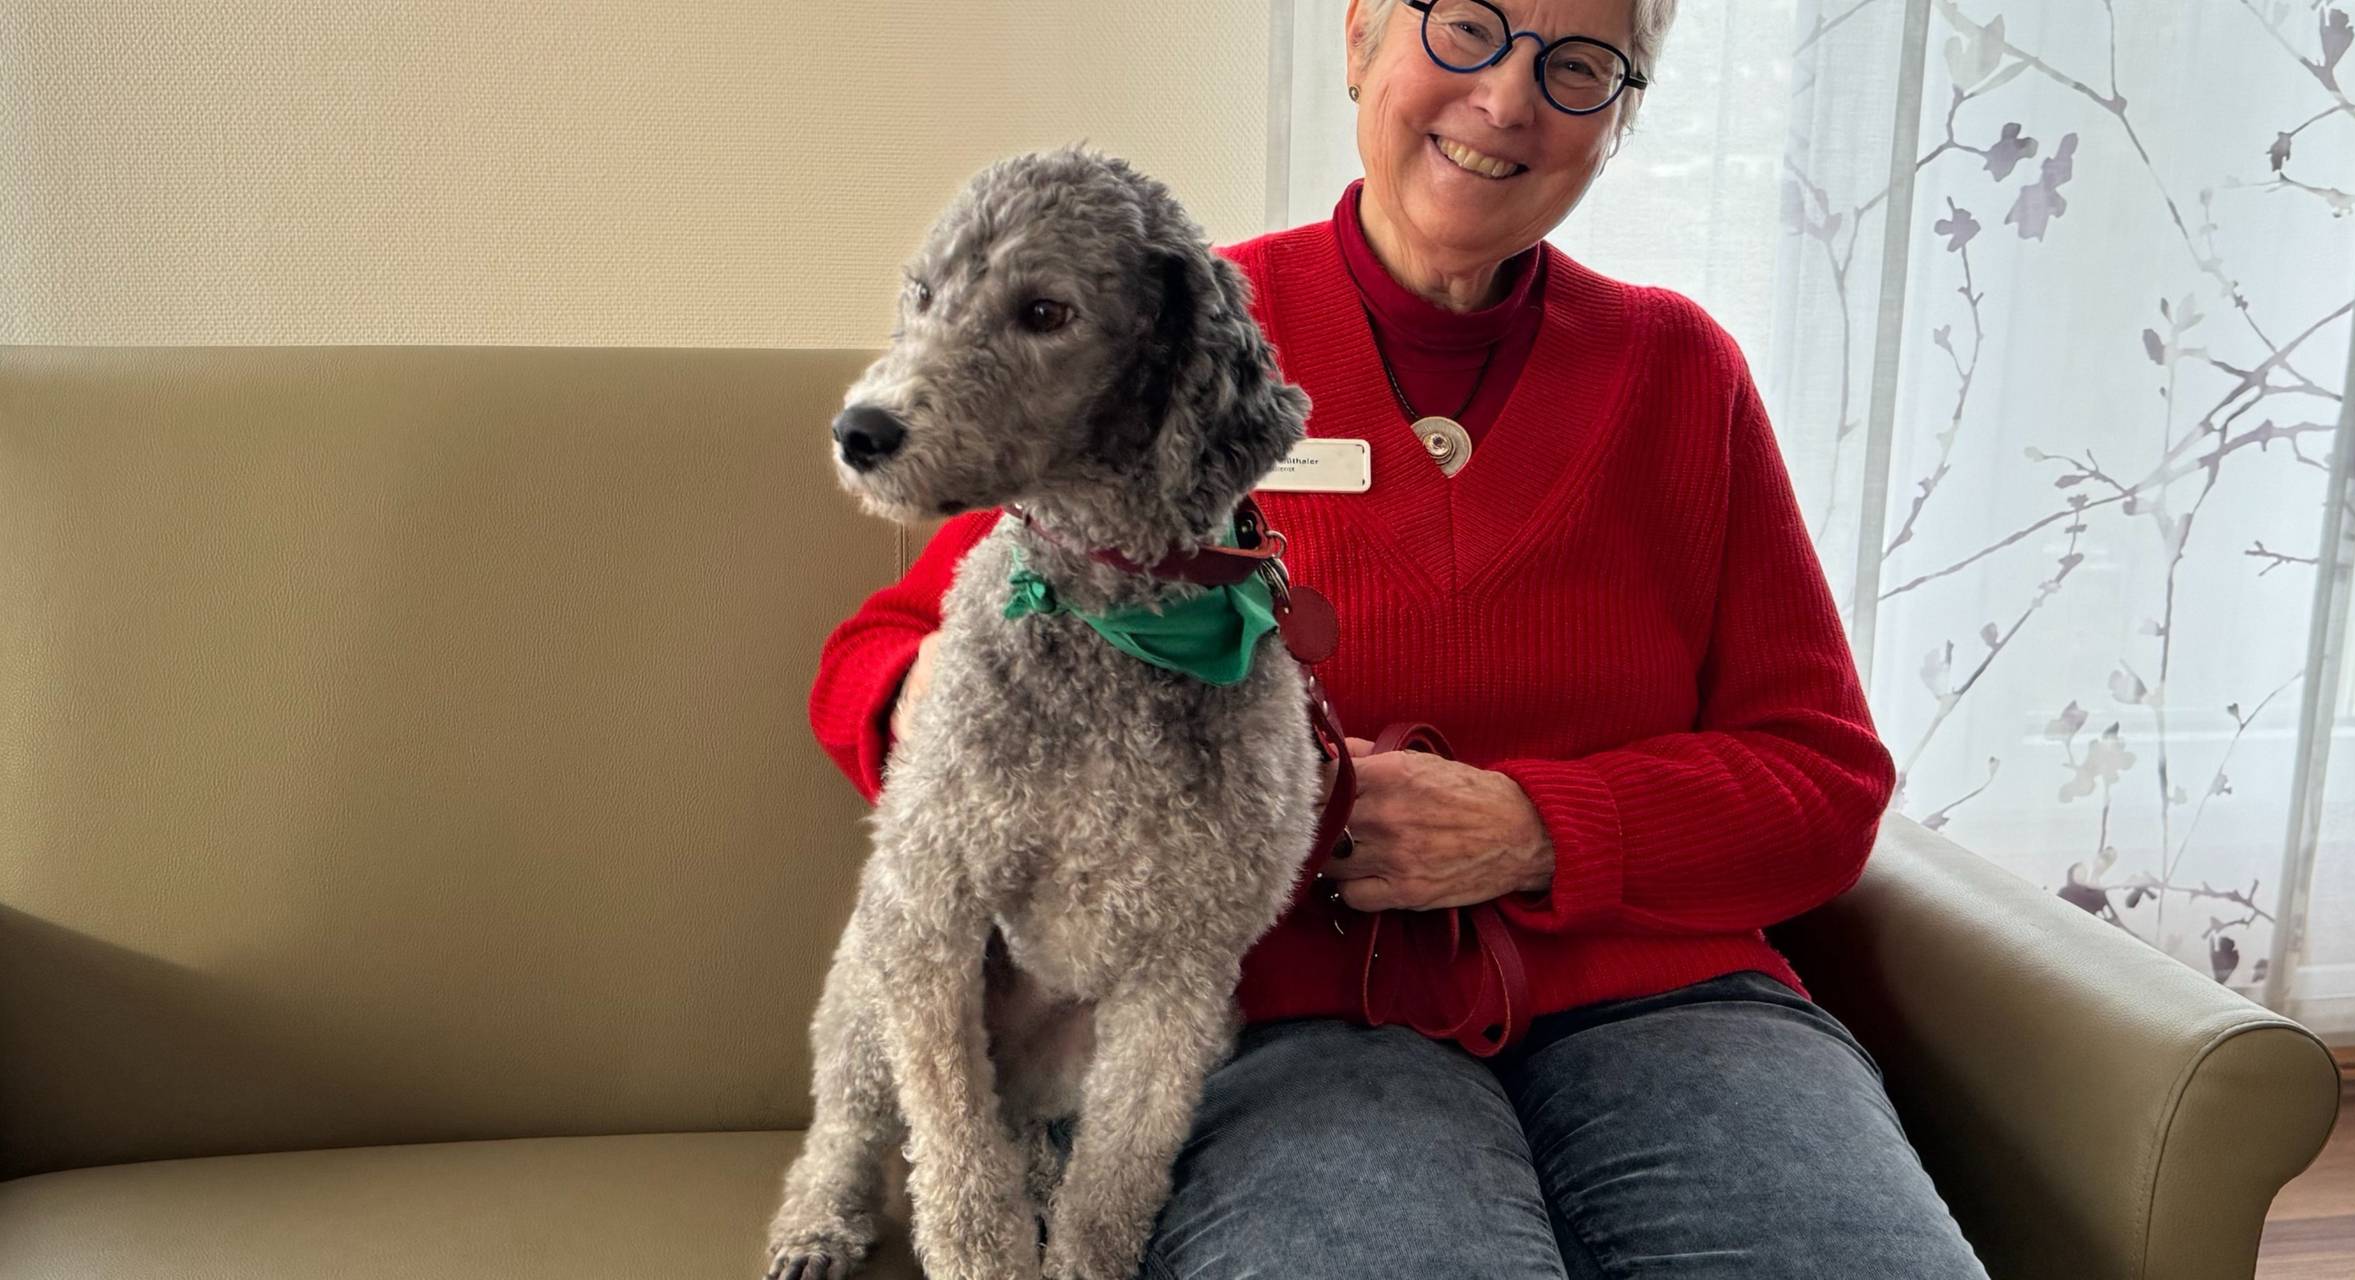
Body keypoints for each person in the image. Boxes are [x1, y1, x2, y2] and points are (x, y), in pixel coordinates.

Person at [808, 1, 1988, 1275]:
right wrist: (924, 699)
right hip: (1286, 1011)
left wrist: (1537, 828)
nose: (1507, 99)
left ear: (1619, 119)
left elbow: (1821, 778)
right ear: (1363, 38)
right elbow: (881, 651)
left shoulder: (1677, 373)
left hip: (1672, 1000)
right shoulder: (1178, 331)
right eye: (1468, 25)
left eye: (1578, 64)